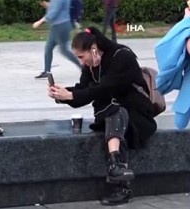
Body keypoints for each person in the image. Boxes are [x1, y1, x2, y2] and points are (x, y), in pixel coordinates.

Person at [47, 26, 156, 205]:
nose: (81, 62)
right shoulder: (90, 66)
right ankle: (116, 169)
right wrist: (63, 94)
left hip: (137, 116)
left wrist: (73, 95)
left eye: (82, 57)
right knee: (114, 114)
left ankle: (118, 177)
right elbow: (84, 91)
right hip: (109, 116)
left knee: (117, 112)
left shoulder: (122, 56)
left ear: (94, 49)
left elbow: (107, 88)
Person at [32, 0, 81, 79]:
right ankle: (47, 71)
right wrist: (49, 5)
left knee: (64, 50)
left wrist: (39, 22)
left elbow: (53, 14)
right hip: (58, 26)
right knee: (49, 47)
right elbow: (58, 7)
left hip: (60, 26)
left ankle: (83, 67)